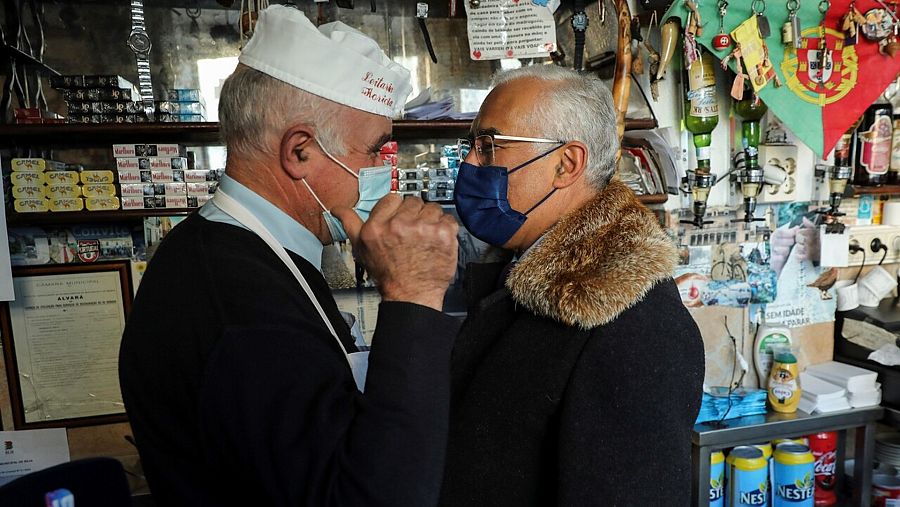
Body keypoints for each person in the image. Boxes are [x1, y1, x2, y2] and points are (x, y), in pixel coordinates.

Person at [119, 6, 460, 506]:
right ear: (299, 151)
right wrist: (413, 293)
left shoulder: (236, 250)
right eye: (373, 152)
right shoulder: (240, 305)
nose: (380, 174)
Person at [439, 65, 705, 506]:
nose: (470, 163)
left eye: (489, 146)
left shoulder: (635, 326)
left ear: (566, 164)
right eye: (472, 146)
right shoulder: (517, 274)